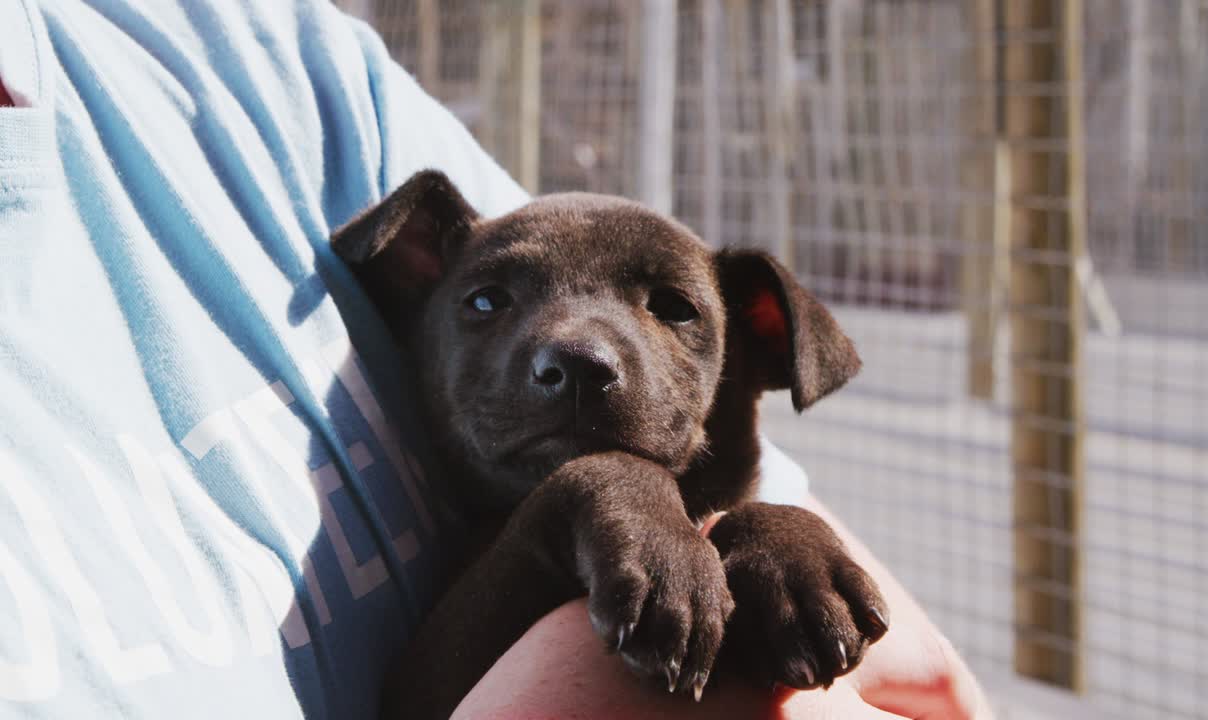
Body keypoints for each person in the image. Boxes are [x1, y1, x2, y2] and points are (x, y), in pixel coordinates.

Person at [0, 1, 991, 718]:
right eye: (488, 301)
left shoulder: (260, 64)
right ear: (413, 284)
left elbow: (934, 686)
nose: (579, 347)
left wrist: (777, 537)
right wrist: (594, 497)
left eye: (670, 308)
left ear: (760, 344)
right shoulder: (464, 552)